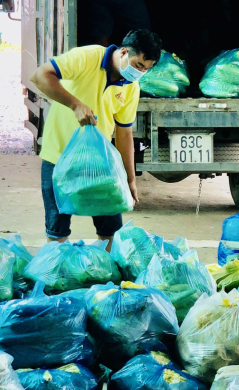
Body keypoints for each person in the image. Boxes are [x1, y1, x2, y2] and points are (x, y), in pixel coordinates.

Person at [30, 29, 162, 249]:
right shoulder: (88, 57)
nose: (140, 73)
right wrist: (75, 104)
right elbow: (40, 76)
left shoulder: (131, 87)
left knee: (111, 230)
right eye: (139, 65)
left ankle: (108, 277)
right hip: (59, 158)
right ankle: (57, 275)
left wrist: (129, 179)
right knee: (57, 230)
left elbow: (124, 132)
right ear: (123, 52)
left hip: (100, 165)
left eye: (146, 70)